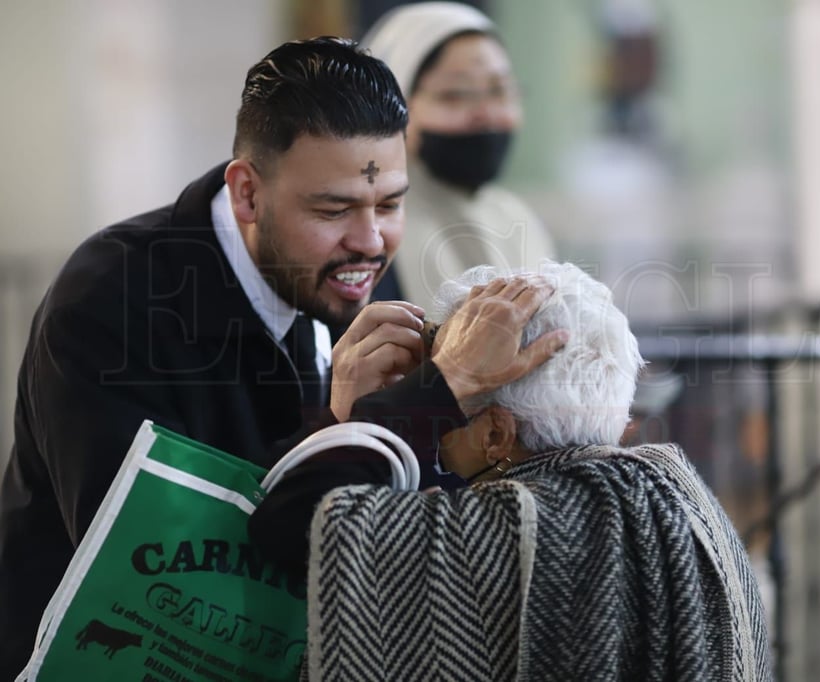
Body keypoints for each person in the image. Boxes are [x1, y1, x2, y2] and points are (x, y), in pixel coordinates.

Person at [0, 37, 566, 680]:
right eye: (332, 209)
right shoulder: (115, 299)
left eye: (390, 203)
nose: (371, 242)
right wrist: (370, 422)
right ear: (247, 194)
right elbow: (166, 575)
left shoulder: (340, 270)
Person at [252, 262, 772, 681]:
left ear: (497, 435)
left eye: (453, 398)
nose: (441, 410)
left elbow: (292, 520)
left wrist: (400, 397)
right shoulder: (684, 499)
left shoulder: (493, 533)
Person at [361, 2, 557, 309]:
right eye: (456, 94)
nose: (486, 114)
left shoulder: (517, 219)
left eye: (500, 90)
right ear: (393, 104)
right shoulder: (368, 232)